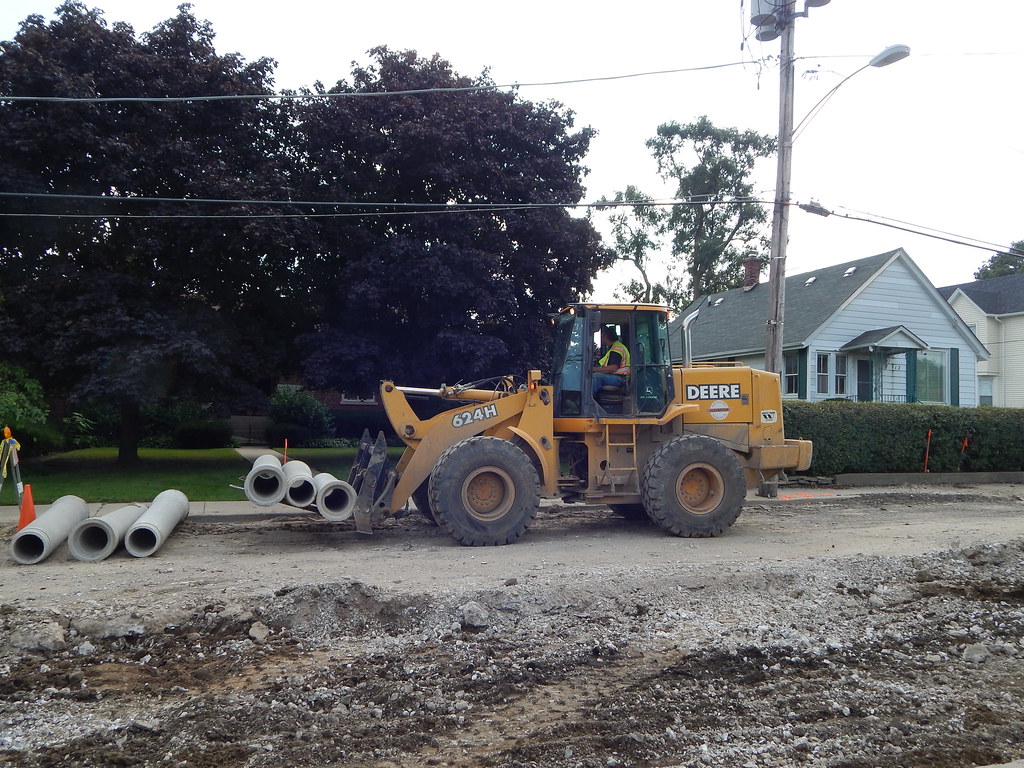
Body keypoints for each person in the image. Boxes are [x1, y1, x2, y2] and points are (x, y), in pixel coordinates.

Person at [592, 326, 631, 396]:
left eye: (601, 335)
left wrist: (594, 369)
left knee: (596, 377)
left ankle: (589, 399)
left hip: (620, 378)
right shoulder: (613, 348)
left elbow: (613, 368)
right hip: (616, 377)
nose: (600, 338)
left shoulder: (617, 349)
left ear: (605, 336)